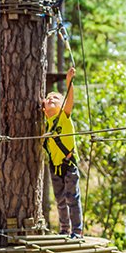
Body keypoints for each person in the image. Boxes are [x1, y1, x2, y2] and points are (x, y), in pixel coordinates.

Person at [42, 67, 84, 239]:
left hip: (69, 164)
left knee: (72, 199)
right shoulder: (45, 124)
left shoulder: (64, 117)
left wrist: (69, 83)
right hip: (55, 167)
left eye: (56, 98)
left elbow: (69, 101)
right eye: (48, 98)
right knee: (60, 200)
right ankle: (64, 229)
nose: (51, 98)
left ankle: (77, 230)